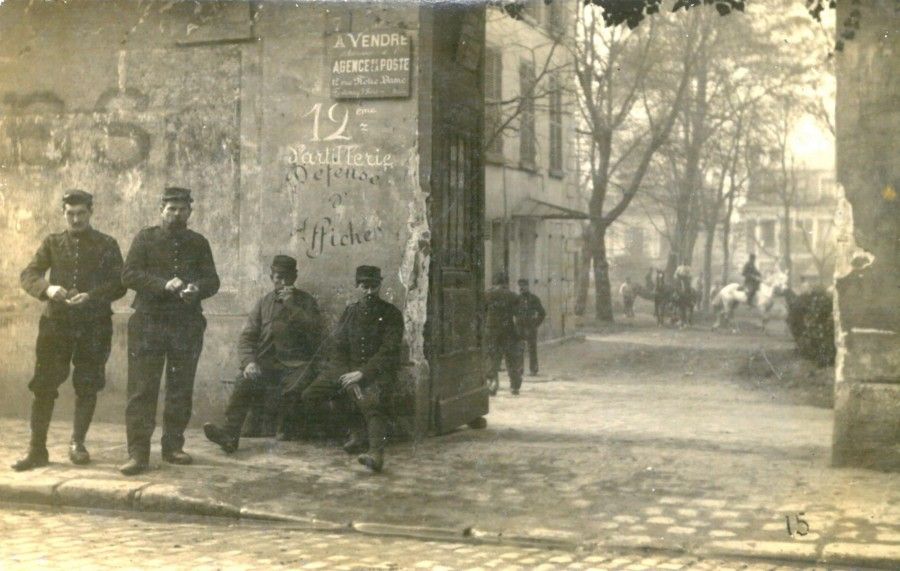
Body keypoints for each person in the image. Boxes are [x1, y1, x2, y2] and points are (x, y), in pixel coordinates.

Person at [12, 190, 126, 471]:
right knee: (44, 385)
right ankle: (37, 449)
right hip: (56, 325)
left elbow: (120, 283)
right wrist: (48, 289)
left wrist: (92, 296)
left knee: (87, 384)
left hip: (93, 325)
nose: (75, 219)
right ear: (63, 213)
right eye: (70, 214)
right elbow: (29, 274)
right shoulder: (52, 243)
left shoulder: (107, 244)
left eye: (81, 214)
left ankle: (78, 443)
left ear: (91, 212)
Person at [119, 187, 220, 476]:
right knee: (142, 390)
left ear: (190, 211)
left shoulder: (199, 243)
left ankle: (173, 446)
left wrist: (196, 289)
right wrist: (163, 284)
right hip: (149, 323)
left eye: (182, 209)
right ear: (161, 208)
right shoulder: (145, 238)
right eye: (171, 208)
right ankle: (138, 453)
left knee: (180, 388)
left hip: (185, 324)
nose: (177, 214)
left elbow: (212, 280)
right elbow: (128, 275)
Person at [203, 255, 324, 453]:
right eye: (278, 277)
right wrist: (250, 362)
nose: (282, 282)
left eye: (287, 277)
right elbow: (247, 338)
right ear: (271, 278)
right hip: (266, 364)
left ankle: (286, 428)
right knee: (244, 379)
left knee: (294, 387)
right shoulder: (263, 303)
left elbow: (315, 330)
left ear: (295, 277)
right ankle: (229, 435)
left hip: (296, 364)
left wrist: (292, 305)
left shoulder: (306, 301)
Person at [300, 265, 403, 473]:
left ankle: (376, 454)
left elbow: (388, 351)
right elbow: (339, 347)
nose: (370, 291)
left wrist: (362, 374)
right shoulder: (350, 312)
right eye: (365, 286)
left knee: (371, 401)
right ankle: (355, 432)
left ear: (380, 285)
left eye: (374, 286)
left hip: (376, 373)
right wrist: (345, 374)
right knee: (310, 394)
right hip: (347, 370)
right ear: (358, 286)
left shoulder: (391, 314)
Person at [484, 272, 524, 396]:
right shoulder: (513, 296)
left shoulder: (487, 295)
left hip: (491, 331)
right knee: (512, 359)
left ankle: (492, 386)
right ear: (506, 282)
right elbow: (519, 316)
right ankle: (515, 386)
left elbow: (481, 313)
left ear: (494, 282)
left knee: (492, 358)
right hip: (508, 331)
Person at [516, 278, 546, 376]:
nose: (522, 288)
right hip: (519, 327)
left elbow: (542, 313)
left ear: (528, 286)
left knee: (532, 349)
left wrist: (535, 324)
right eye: (520, 286)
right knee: (519, 348)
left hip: (530, 327)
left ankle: (533, 369)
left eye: (524, 285)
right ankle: (519, 369)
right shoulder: (516, 299)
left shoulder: (534, 299)